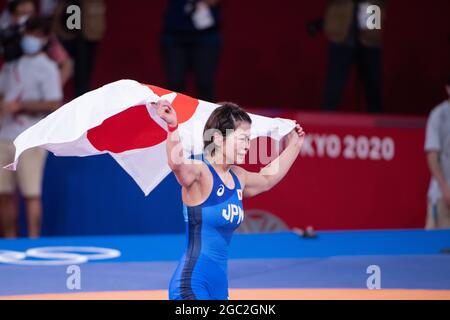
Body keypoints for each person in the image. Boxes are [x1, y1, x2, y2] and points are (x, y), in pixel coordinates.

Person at [152, 100, 305, 300]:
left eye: (249, 140)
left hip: (219, 288)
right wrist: (173, 127)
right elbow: (177, 165)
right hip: (191, 285)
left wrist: (295, 145)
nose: (247, 146)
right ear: (217, 138)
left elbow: (267, 179)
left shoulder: (238, 177)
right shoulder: (200, 172)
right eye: (242, 139)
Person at [0, 17, 63, 238]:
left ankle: (34, 241)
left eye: (37, 35)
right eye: (29, 33)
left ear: (45, 39)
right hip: (4, 136)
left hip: (30, 138)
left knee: (31, 194)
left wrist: (21, 106)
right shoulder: (10, 65)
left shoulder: (48, 67)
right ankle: (9, 242)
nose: (31, 39)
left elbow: (54, 103)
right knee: (4, 194)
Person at [321, 0, 385, 113]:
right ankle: (325, 123)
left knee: (373, 85)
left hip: (370, 24)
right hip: (341, 30)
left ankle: (377, 123)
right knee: (334, 85)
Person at [161, 0, 222, 102]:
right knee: (175, 82)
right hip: (175, 33)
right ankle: (172, 114)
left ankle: (208, 116)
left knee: (205, 83)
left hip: (206, 36)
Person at [424, 75, 450, 229]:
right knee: (438, 248)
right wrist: (445, 188)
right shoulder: (439, 115)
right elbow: (432, 156)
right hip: (442, 196)